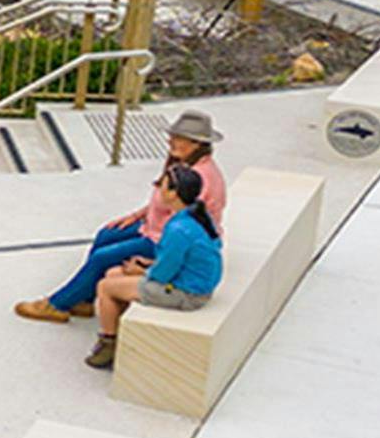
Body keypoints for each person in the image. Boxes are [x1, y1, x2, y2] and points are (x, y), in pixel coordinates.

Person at [14, 110, 226, 325]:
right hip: (154, 228)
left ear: (197, 143)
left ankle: (57, 305)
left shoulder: (201, 177)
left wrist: (146, 264)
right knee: (106, 235)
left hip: (166, 239)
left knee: (103, 257)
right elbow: (168, 201)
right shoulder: (186, 165)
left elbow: (180, 228)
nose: (170, 140)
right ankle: (84, 298)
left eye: (178, 138)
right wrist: (136, 216)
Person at [84, 164, 223, 368]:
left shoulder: (178, 228)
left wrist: (141, 270)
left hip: (187, 293)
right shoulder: (197, 216)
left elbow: (162, 275)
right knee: (113, 273)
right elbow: (178, 259)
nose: (158, 190)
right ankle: (118, 330)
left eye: (162, 186)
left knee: (105, 287)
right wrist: (147, 263)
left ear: (174, 194)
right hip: (192, 281)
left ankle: (108, 343)